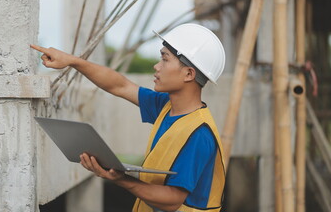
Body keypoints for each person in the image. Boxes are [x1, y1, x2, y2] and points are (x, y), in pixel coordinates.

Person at [31, 23, 226, 212]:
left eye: (165, 59)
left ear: (189, 73)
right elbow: (120, 86)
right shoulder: (166, 107)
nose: (156, 66)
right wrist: (72, 61)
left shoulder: (199, 133)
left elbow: (172, 200)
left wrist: (120, 178)